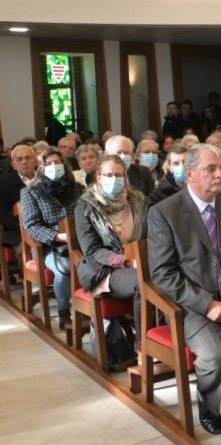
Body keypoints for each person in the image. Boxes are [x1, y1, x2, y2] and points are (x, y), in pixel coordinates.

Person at [147, 144, 221, 434]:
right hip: (193, 304)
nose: (220, 174)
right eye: (211, 169)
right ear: (190, 174)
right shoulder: (164, 212)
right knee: (217, 357)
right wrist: (206, 304)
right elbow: (162, 274)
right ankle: (210, 404)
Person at [75, 155, 146, 362]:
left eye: (118, 175)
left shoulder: (138, 201)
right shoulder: (86, 206)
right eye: (108, 175)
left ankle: (169, 339)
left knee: (165, 275)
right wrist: (123, 260)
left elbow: (150, 235)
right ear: (99, 177)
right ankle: (144, 348)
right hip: (104, 269)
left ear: (125, 178)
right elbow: (92, 249)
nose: (113, 179)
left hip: (139, 262)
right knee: (142, 281)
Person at [20, 148, 85, 332]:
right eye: (48, 164)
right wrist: (58, 236)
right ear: (41, 167)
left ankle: (89, 308)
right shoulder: (30, 192)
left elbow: (88, 216)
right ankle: (64, 310)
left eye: (57, 162)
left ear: (64, 165)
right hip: (49, 246)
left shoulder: (78, 189)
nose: (53, 166)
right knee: (65, 269)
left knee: (98, 264)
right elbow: (31, 226)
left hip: (80, 242)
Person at [0, 145, 37, 252]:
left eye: (28, 157)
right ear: (13, 165)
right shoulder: (4, 183)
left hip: (48, 227)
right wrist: (28, 226)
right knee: (27, 251)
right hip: (18, 230)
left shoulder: (45, 179)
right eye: (19, 159)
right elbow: (3, 214)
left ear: (35, 161)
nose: (24, 162)